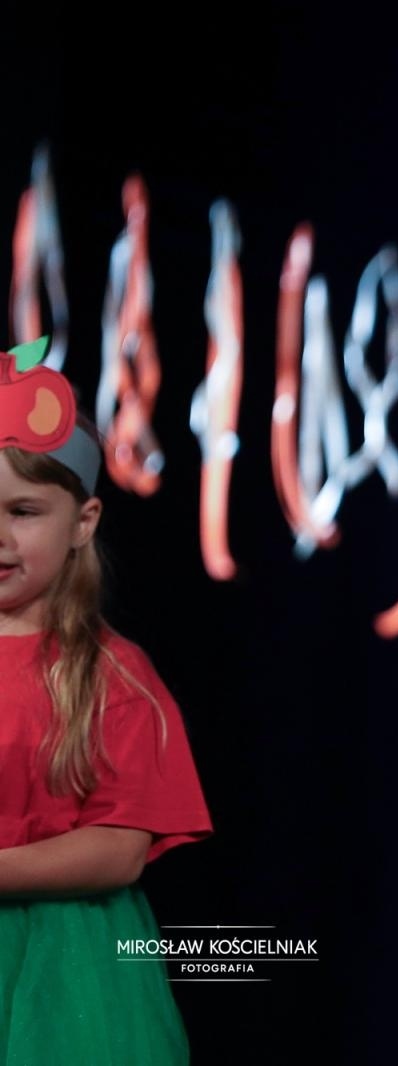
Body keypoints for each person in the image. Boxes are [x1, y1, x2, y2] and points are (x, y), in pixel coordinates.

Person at [0, 339, 212, 1065]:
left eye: (23, 510)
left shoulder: (112, 675)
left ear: (82, 524)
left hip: (69, 975)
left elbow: (121, 849)